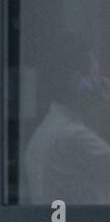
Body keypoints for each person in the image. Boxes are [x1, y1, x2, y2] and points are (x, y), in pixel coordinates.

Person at [21, 31, 110, 207]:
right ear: (77, 82)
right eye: (94, 75)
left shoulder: (51, 128)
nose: (100, 83)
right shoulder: (73, 136)